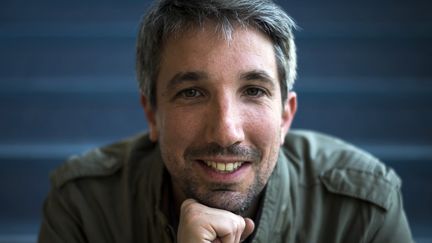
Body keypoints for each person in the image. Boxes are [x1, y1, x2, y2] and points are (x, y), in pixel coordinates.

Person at [38, 0, 414, 242]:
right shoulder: (84, 206)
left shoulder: (362, 211)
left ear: (286, 116)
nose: (226, 131)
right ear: (152, 114)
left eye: (253, 90)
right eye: (191, 93)